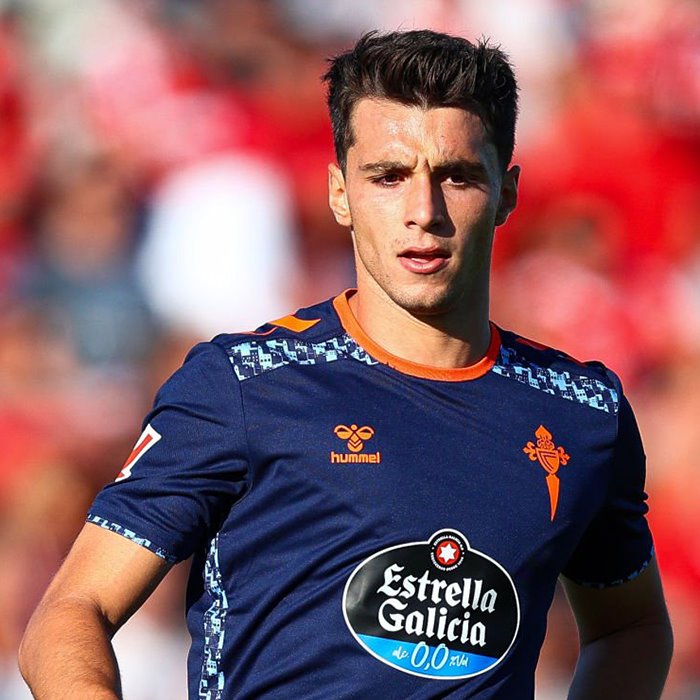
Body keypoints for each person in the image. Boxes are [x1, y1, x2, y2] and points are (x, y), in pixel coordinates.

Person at [19, 29, 673, 699]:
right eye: (389, 176)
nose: (424, 212)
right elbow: (70, 614)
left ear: (506, 193)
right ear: (339, 193)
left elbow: (632, 627)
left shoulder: (581, 413)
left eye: (457, 176)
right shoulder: (242, 386)